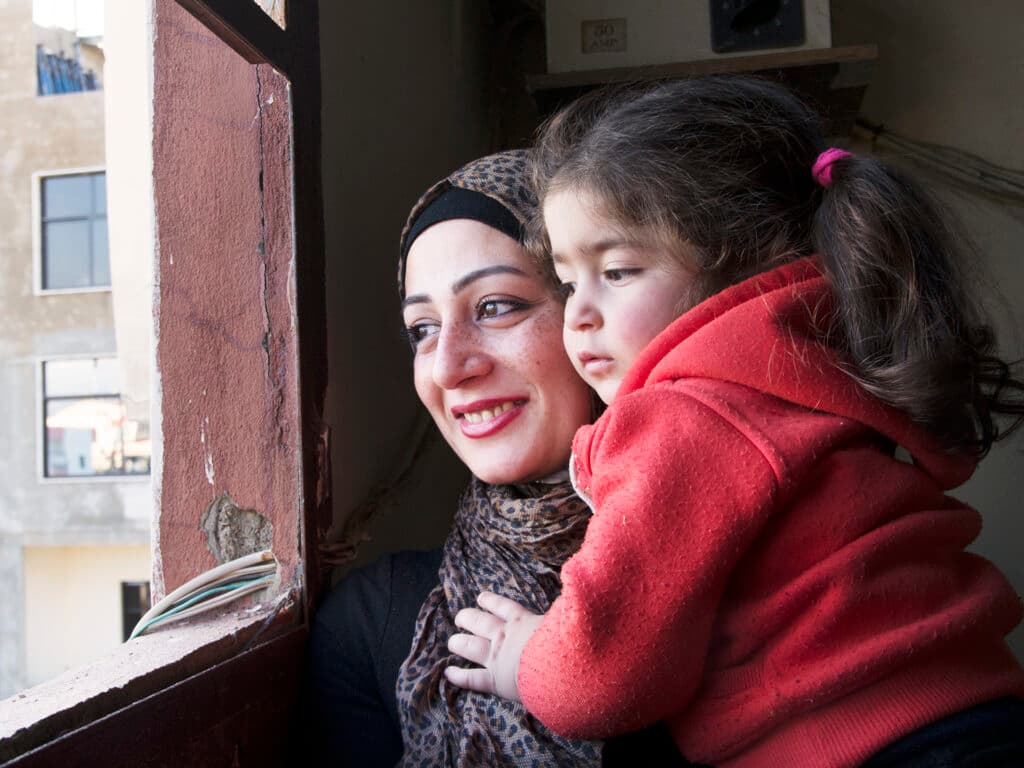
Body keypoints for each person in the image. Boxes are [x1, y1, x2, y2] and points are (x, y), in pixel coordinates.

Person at [444, 77, 1024, 767]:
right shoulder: (826, 377)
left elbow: (595, 684)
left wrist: (523, 659)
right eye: (569, 281)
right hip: (980, 714)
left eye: (620, 270)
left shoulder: (687, 416)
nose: (580, 313)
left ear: (742, 264)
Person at [304, 150, 692, 766]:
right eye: (422, 328)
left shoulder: (738, 575)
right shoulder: (371, 626)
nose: (449, 366)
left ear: (593, 316)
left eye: (495, 306)